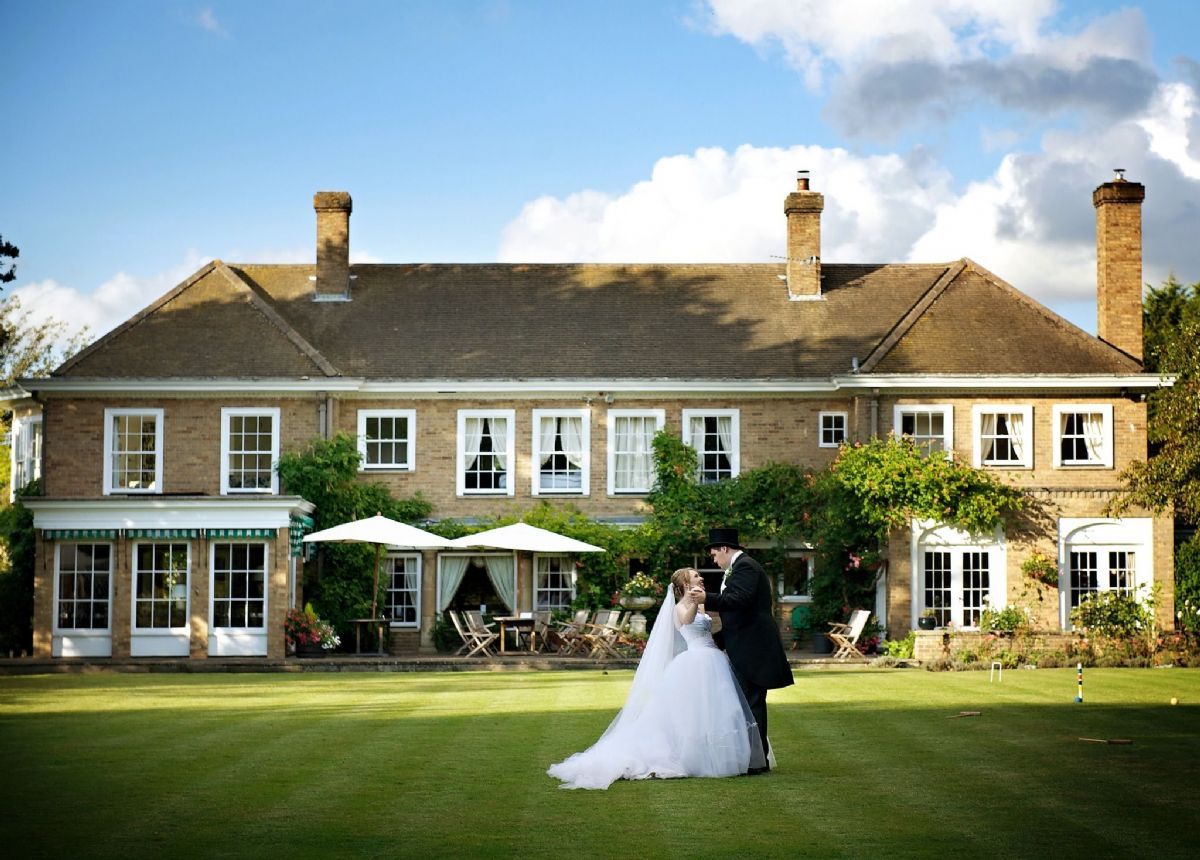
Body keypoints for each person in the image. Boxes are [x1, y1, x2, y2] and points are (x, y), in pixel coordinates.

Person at [547, 567, 766, 790]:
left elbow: (710, 624)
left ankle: (718, 753)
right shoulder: (680, 607)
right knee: (694, 711)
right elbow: (687, 621)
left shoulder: (701, 603)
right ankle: (691, 756)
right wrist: (692, 603)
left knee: (719, 708)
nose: (700, 577)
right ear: (684, 584)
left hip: (713, 657)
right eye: (695, 576)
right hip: (696, 660)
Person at [702, 527, 794, 773]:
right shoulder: (740, 567)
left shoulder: (746, 567)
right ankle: (754, 760)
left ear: (724, 549)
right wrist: (719, 640)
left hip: (753, 646)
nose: (714, 559)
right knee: (748, 703)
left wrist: (704, 598)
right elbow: (739, 613)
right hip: (745, 643)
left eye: (714, 554)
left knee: (750, 703)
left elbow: (738, 601)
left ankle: (755, 762)